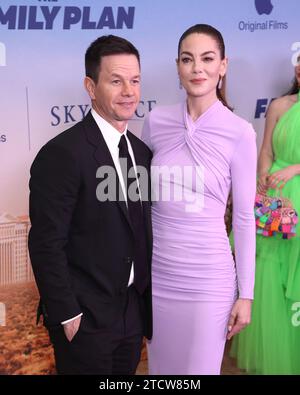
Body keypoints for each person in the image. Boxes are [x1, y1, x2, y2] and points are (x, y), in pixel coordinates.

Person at [28, 35, 153, 375]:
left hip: (130, 312)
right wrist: (68, 314)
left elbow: (134, 229)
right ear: (90, 86)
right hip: (84, 317)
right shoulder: (63, 154)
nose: (129, 91)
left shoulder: (140, 153)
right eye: (116, 80)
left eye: (135, 80)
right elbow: (45, 242)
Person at [141, 24, 257, 375]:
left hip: (209, 279)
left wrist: (246, 294)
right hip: (158, 274)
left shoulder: (240, 132)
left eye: (207, 59)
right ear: (177, 66)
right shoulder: (155, 121)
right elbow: (142, 202)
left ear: (223, 65)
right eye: (188, 60)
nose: (197, 68)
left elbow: (244, 219)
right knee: (161, 372)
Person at [231, 55, 300, 374]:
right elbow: (267, 151)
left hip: (296, 189)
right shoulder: (280, 106)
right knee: (269, 275)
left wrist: (296, 169)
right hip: (275, 197)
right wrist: (262, 183)